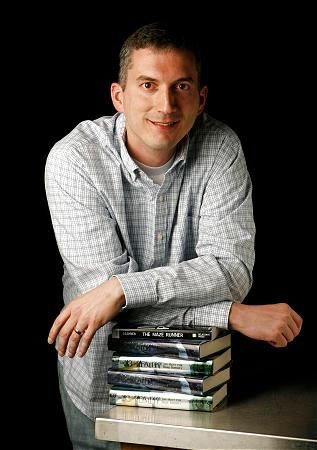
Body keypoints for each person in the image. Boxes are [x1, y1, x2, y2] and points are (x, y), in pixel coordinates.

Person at [46, 22, 303, 449]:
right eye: (147, 84)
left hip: (196, 378)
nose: (165, 104)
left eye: (180, 86)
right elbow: (107, 310)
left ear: (200, 98)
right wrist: (229, 315)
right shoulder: (74, 159)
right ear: (118, 96)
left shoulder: (221, 148)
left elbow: (231, 272)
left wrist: (120, 289)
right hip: (98, 383)